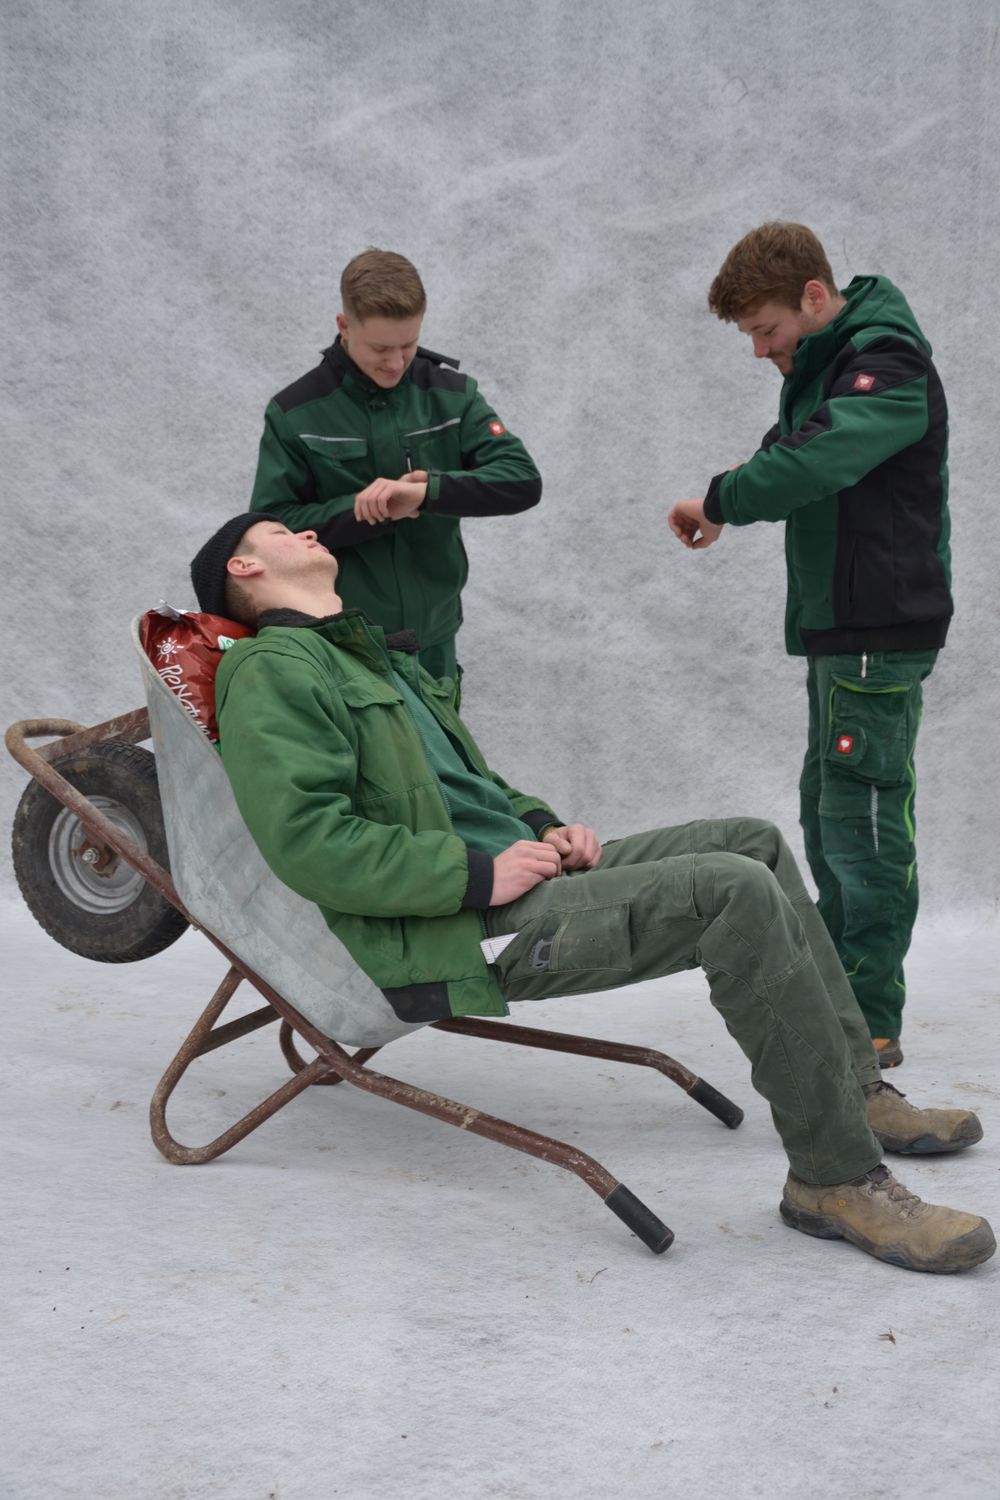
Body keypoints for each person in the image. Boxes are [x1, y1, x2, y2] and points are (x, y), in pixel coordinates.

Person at [187, 513, 993, 1276]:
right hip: (452, 928)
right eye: (279, 530)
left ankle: (855, 1090)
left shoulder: (374, 659)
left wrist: (543, 825)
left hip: (517, 879)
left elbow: (475, 788)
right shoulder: (269, 670)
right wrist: (474, 875)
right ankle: (833, 1177)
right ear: (243, 567)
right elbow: (308, 841)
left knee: (751, 840)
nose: (306, 529)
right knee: (732, 890)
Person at [668, 223, 953, 1069]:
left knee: (863, 827)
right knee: (831, 816)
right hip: (844, 630)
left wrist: (722, 497)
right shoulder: (828, 362)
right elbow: (795, 446)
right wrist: (726, 502)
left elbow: (818, 458)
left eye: (766, 329)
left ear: (815, 297)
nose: (760, 350)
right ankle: (842, 1003)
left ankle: (869, 1020)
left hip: (877, 631)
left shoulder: (886, 362)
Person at [248, 247, 542, 683]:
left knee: (439, 732)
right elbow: (270, 530)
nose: (396, 362)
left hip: (434, 640)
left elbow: (522, 481)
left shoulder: (453, 397)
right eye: (380, 348)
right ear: (344, 326)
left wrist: (427, 492)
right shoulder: (295, 414)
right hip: (342, 642)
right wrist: (370, 511)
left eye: (409, 344)